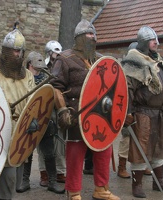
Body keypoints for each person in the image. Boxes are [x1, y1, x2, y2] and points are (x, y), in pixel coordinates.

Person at [50, 19, 120, 200]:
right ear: (78, 38)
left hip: (102, 112)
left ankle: (101, 189)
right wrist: (62, 110)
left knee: (104, 150)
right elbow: (56, 86)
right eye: (88, 34)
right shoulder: (64, 59)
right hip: (76, 113)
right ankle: (73, 191)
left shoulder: (100, 60)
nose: (92, 37)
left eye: (94, 35)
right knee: (75, 152)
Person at [121, 25, 163, 198]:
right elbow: (128, 89)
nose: (156, 43)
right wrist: (128, 112)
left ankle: (158, 181)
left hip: (160, 112)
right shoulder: (134, 61)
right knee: (140, 149)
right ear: (144, 42)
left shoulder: (157, 60)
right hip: (143, 113)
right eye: (153, 40)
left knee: (159, 147)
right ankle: (136, 185)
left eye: (156, 40)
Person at [0, 28, 35, 200]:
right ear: (5, 51)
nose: (19, 55)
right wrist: (0, 109)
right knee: (6, 178)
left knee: (15, 180)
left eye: (21, 51)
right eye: (15, 50)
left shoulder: (27, 75)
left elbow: (34, 101)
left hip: (21, 133)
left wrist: (34, 118)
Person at [16, 51, 65, 194]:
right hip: (27, 120)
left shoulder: (46, 78)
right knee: (27, 153)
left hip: (44, 120)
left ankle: (52, 181)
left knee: (49, 153)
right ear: (30, 64)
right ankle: (25, 181)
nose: (39, 68)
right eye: (36, 65)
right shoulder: (23, 79)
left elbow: (50, 99)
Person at [117, 41, 151, 179]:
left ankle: (142, 166)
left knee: (143, 138)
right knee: (126, 138)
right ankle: (122, 167)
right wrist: (127, 110)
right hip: (127, 107)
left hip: (142, 108)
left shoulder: (144, 68)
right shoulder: (124, 70)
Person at [38, 40, 66, 185]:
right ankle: (44, 174)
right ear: (49, 52)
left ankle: (60, 172)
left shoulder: (63, 67)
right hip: (44, 108)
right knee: (43, 139)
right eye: (55, 52)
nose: (58, 55)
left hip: (58, 106)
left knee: (60, 139)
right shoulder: (42, 68)